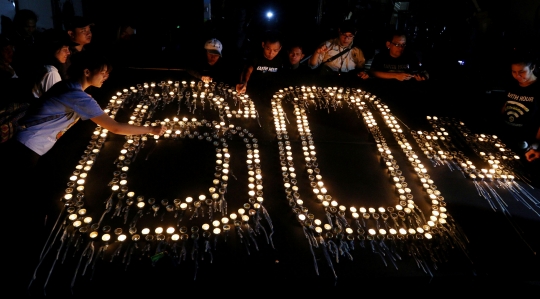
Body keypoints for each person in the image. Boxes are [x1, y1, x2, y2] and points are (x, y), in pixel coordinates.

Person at [7, 50, 166, 171]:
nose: (105, 77)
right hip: (26, 148)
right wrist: (151, 129)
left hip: (24, 142)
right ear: (87, 72)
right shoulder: (77, 96)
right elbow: (115, 127)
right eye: (102, 73)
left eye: (107, 74)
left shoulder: (67, 87)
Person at [491, 49, 539, 186]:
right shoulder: (512, 85)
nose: (517, 76)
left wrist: (536, 146)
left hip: (525, 146)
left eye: (522, 72)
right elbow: (505, 106)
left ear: (532, 68)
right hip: (505, 138)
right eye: (514, 72)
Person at [308, 20, 369, 86]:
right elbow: (313, 65)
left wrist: (363, 74)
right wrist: (317, 52)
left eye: (350, 36)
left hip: (348, 82)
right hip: (327, 80)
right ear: (339, 31)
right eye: (344, 34)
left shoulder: (357, 50)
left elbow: (361, 69)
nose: (346, 39)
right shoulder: (328, 45)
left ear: (355, 34)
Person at [236, 30, 285, 101]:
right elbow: (248, 69)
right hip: (253, 92)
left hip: (271, 95)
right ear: (263, 45)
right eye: (268, 49)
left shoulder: (281, 60)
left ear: (280, 48)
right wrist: (244, 82)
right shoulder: (255, 56)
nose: (271, 53)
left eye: (275, 50)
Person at [30, 29, 78, 99]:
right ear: (53, 49)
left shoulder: (45, 68)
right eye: (64, 49)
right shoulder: (51, 73)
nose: (68, 52)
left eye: (68, 48)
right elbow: (56, 103)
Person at [6, 9, 41, 82]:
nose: (30, 30)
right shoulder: (11, 41)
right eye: (27, 26)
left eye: (33, 26)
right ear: (19, 25)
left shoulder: (37, 38)